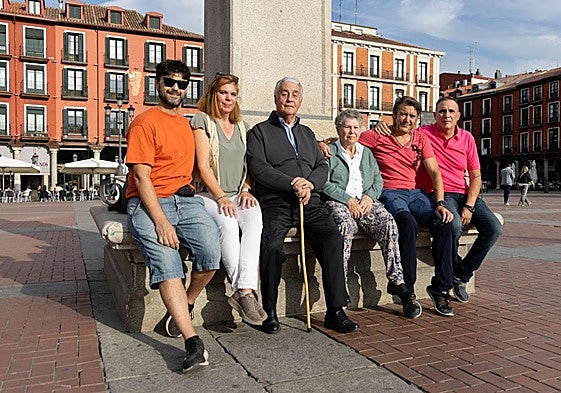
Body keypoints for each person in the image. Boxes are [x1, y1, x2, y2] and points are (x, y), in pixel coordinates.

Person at [125, 60, 221, 372]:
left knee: (212, 253)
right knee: (168, 264)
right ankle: (192, 341)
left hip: (186, 201)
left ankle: (186, 303)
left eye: (182, 84)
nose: (175, 88)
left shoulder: (188, 125)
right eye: (170, 82)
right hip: (149, 201)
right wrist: (161, 222)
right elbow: (141, 179)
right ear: (158, 84)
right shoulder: (144, 123)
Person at [323, 96, 456, 317]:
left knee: (444, 223)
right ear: (394, 115)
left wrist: (441, 203)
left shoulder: (420, 139)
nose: (407, 119)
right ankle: (408, 289)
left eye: (412, 116)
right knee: (406, 223)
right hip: (391, 194)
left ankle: (441, 288)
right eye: (403, 114)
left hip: (414, 194)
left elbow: (434, 172)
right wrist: (322, 144)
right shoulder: (376, 136)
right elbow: (345, 139)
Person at [247, 77, 359, 334]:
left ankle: (335, 310)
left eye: (294, 94)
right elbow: (259, 168)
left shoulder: (308, 134)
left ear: (300, 100)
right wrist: (291, 183)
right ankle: (270, 311)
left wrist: (309, 184)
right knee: (271, 245)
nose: (289, 98)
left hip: (310, 201)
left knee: (332, 237)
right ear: (276, 98)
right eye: (284, 94)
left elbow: (322, 166)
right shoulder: (260, 132)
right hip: (276, 202)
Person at [375, 96, 503, 304]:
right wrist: (384, 124)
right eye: (442, 111)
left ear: (459, 116)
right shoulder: (423, 133)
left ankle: (460, 274)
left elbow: (476, 177)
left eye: (451, 111)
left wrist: (470, 205)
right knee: (451, 224)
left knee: (494, 228)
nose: (447, 115)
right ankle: (445, 277)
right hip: (437, 193)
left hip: (464, 192)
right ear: (434, 115)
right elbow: (402, 128)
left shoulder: (467, 138)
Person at [321, 109, 418, 318]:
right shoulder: (330, 151)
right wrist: (347, 200)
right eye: (347, 127)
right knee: (344, 225)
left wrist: (368, 198)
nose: (351, 131)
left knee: (389, 223)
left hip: (365, 201)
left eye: (356, 127)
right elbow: (324, 183)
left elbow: (377, 180)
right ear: (338, 129)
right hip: (339, 202)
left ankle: (397, 282)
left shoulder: (367, 153)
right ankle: (341, 283)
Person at [190, 73, 266, 327]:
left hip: (237, 192)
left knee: (255, 220)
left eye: (233, 94)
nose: (229, 98)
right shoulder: (202, 121)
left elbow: (249, 166)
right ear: (213, 94)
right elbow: (202, 166)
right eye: (224, 93)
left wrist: (246, 189)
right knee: (229, 224)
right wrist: (221, 196)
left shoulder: (243, 127)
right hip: (209, 194)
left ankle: (243, 290)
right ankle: (245, 293)